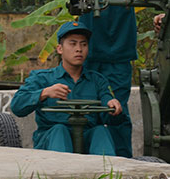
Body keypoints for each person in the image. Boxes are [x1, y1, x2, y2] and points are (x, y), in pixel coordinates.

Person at [72, 0, 149, 157]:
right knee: (87, 111)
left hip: (118, 56)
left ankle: (123, 163)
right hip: (90, 56)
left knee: (117, 112)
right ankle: (83, 162)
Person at [10, 19, 123, 155]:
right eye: (72, 44)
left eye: (84, 44)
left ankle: (108, 173)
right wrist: (45, 93)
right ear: (60, 49)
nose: (79, 49)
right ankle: (60, 174)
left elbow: (109, 109)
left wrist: (112, 106)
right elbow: (17, 106)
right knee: (59, 130)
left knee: (101, 131)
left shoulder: (97, 80)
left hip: (87, 138)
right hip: (51, 140)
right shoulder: (42, 78)